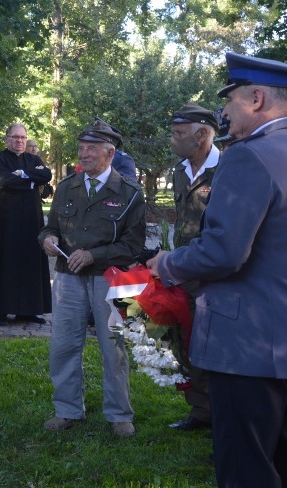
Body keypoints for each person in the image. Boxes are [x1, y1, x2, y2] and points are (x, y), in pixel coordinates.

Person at [147, 52, 287, 486]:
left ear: (258, 98)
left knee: (247, 466)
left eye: (230, 101)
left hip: (248, 347)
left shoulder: (249, 155)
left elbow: (225, 253)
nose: (223, 112)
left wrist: (166, 263)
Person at [38, 119, 146, 437]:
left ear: (110, 153)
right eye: (81, 148)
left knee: (113, 346)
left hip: (110, 279)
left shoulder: (129, 193)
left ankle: (119, 414)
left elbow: (133, 246)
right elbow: (51, 227)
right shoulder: (67, 186)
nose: (84, 155)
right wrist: (45, 238)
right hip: (68, 277)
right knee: (63, 345)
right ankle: (68, 410)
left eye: (91, 149)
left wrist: (94, 255)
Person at [165, 102, 221, 431]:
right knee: (186, 341)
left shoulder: (227, 169)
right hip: (183, 271)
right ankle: (200, 410)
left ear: (201, 135)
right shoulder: (179, 170)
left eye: (178, 133)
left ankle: (221, 413)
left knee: (212, 344)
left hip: (214, 274)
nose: (172, 139)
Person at [0, 123, 52, 325]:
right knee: (6, 261)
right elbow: (3, 180)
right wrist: (31, 180)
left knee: (31, 261)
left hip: (31, 219)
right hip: (5, 220)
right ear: (7, 139)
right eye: (15, 137)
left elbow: (46, 176)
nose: (19, 141)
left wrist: (21, 176)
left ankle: (29, 310)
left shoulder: (34, 159)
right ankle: (2, 309)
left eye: (22, 137)